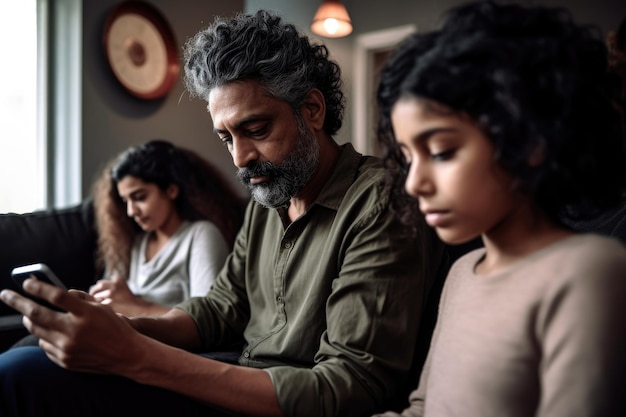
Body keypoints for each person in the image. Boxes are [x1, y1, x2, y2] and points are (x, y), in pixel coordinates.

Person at [0, 10, 444, 417]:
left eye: (255, 129)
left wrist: (135, 354)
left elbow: (348, 387)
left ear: (311, 110)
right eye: (226, 138)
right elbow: (221, 309)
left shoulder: (379, 201)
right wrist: (119, 328)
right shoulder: (270, 197)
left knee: (22, 376)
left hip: (288, 401)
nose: (240, 158)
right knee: (29, 353)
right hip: (239, 372)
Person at [372, 1, 626, 416]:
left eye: (441, 151)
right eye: (407, 156)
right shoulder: (461, 272)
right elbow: (424, 408)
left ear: (529, 143)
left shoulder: (588, 271)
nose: (414, 183)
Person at [88, 139, 246, 316]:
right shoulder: (135, 242)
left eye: (139, 197)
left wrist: (138, 306)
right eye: (126, 201)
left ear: (171, 191)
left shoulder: (200, 235)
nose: (131, 211)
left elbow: (209, 319)